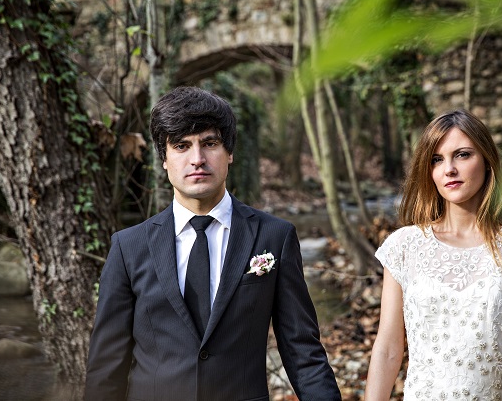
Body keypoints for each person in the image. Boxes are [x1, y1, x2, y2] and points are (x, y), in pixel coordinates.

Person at [84, 86, 341, 401]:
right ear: (164, 158)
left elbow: (303, 351)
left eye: (209, 143)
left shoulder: (274, 236)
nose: (197, 159)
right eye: (181, 146)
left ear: (229, 152)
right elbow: (106, 365)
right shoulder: (129, 246)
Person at [364, 109, 502, 401]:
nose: (449, 169)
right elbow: (388, 349)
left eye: (463, 155)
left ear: (487, 160)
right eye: (437, 159)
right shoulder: (404, 247)